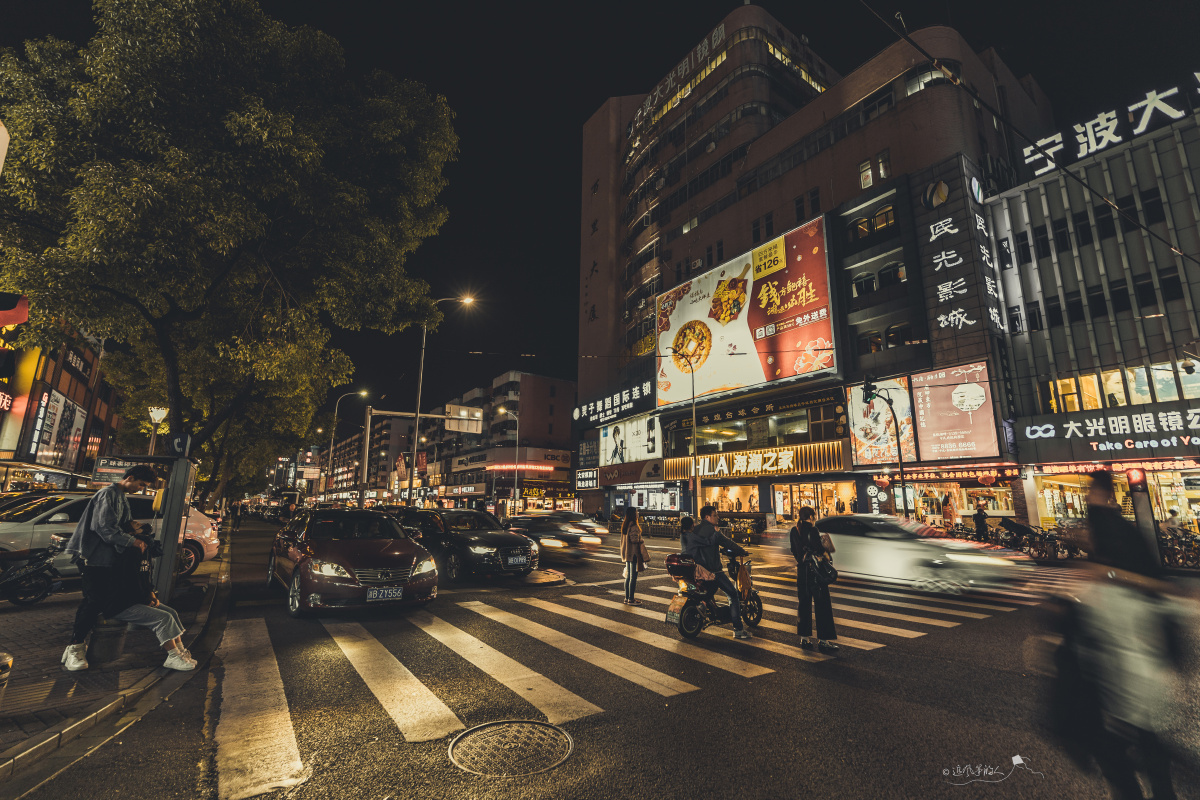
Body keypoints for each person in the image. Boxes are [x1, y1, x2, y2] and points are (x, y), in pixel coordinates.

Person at [1062, 469, 1183, 799]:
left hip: (1122, 679)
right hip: (1131, 675)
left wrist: (1105, 575)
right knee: (1144, 741)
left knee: (1117, 747)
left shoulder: (1110, 575)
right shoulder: (1120, 563)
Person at [61, 465, 155, 672]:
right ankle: (75, 647)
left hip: (108, 558)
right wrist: (132, 541)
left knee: (100, 600)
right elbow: (104, 527)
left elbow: (122, 523)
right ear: (129, 478)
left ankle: (75, 646)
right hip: (95, 557)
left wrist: (135, 528)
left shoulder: (120, 495)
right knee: (93, 601)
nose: (140, 489)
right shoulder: (108, 494)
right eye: (140, 484)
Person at [683, 505, 751, 639]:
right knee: (732, 594)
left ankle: (707, 609)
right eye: (715, 515)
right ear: (707, 517)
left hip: (698, 570)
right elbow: (727, 543)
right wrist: (742, 551)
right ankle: (738, 629)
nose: (718, 517)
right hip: (713, 571)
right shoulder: (712, 531)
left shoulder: (695, 530)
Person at [790, 506, 838, 653]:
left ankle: (805, 638)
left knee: (804, 605)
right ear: (810, 517)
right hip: (816, 573)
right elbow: (819, 549)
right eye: (814, 516)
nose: (815, 519)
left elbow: (794, 551)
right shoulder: (813, 530)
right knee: (822, 606)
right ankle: (823, 640)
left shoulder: (794, 531)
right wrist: (826, 551)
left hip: (802, 573)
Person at [620, 506, 647, 605]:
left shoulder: (625, 526)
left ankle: (627, 598)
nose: (638, 513)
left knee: (628, 577)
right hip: (634, 554)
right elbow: (634, 540)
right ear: (633, 514)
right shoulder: (634, 526)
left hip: (627, 554)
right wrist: (641, 540)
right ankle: (631, 599)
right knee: (633, 577)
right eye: (636, 512)